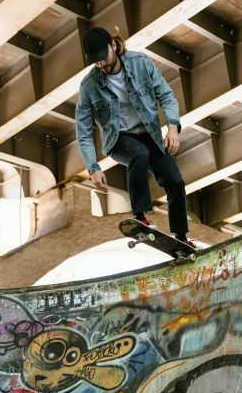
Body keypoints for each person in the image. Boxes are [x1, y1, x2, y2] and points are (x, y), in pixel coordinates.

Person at [76, 26, 197, 250]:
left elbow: (166, 96)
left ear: (113, 45)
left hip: (149, 133)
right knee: (138, 154)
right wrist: (93, 167)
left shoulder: (141, 63)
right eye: (96, 62)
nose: (101, 65)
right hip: (119, 140)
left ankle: (181, 237)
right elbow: (82, 131)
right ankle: (139, 217)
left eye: (103, 58)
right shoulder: (89, 86)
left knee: (175, 181)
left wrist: (172, 127)